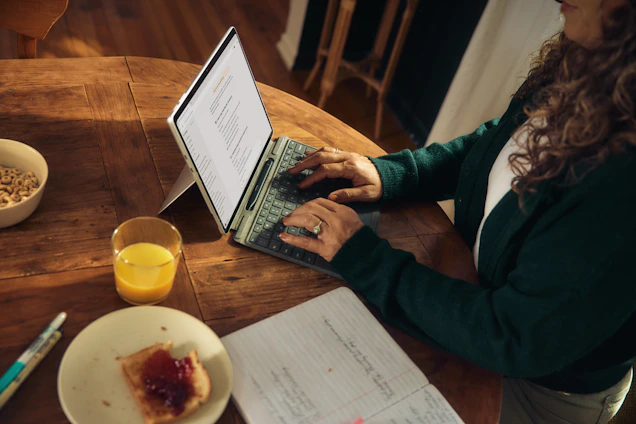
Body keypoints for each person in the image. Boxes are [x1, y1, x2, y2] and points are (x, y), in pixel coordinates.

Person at [279, 0, 636, 423]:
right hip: (472, 302)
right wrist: (392, 174)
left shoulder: (623, 183)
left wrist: (364, 257)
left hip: (536, 387)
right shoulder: (587, 58)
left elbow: (510, 336)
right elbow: (501, 144)